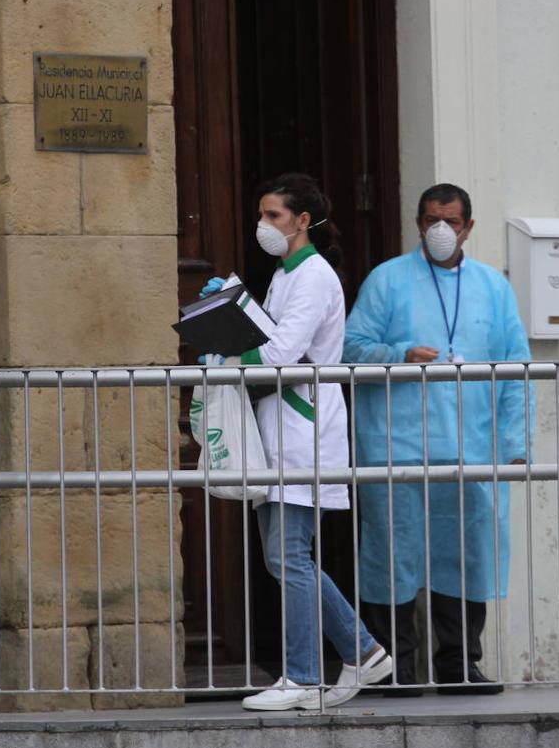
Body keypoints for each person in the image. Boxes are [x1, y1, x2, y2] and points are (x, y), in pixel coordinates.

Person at [199, 172, 392, 710]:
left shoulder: (311, 276)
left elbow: (283, 352)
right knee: (287, 557)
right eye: (260, 215)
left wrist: (230, 352)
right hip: (282, 426)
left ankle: (305, 676)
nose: (263, 225)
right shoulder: (286, 274)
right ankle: (364, 652)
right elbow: (272, 337)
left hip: (303, 426)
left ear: (303, 221)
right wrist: (230, 315)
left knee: (289, 556)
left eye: (274, 216)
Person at [343, 182, 532, 696]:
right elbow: (349, 347)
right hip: (397, 444)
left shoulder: (494, 288)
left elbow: (517, 370)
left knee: (467, 554)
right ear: (418, 225)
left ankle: (459, 666)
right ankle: (395, 670)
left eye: (451, 220)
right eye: (430, 220)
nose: (440, 230)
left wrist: (515, 444)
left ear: (469, 226)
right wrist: (400, 354)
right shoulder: (387, 281)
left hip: (472, 446)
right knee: (391, 554)